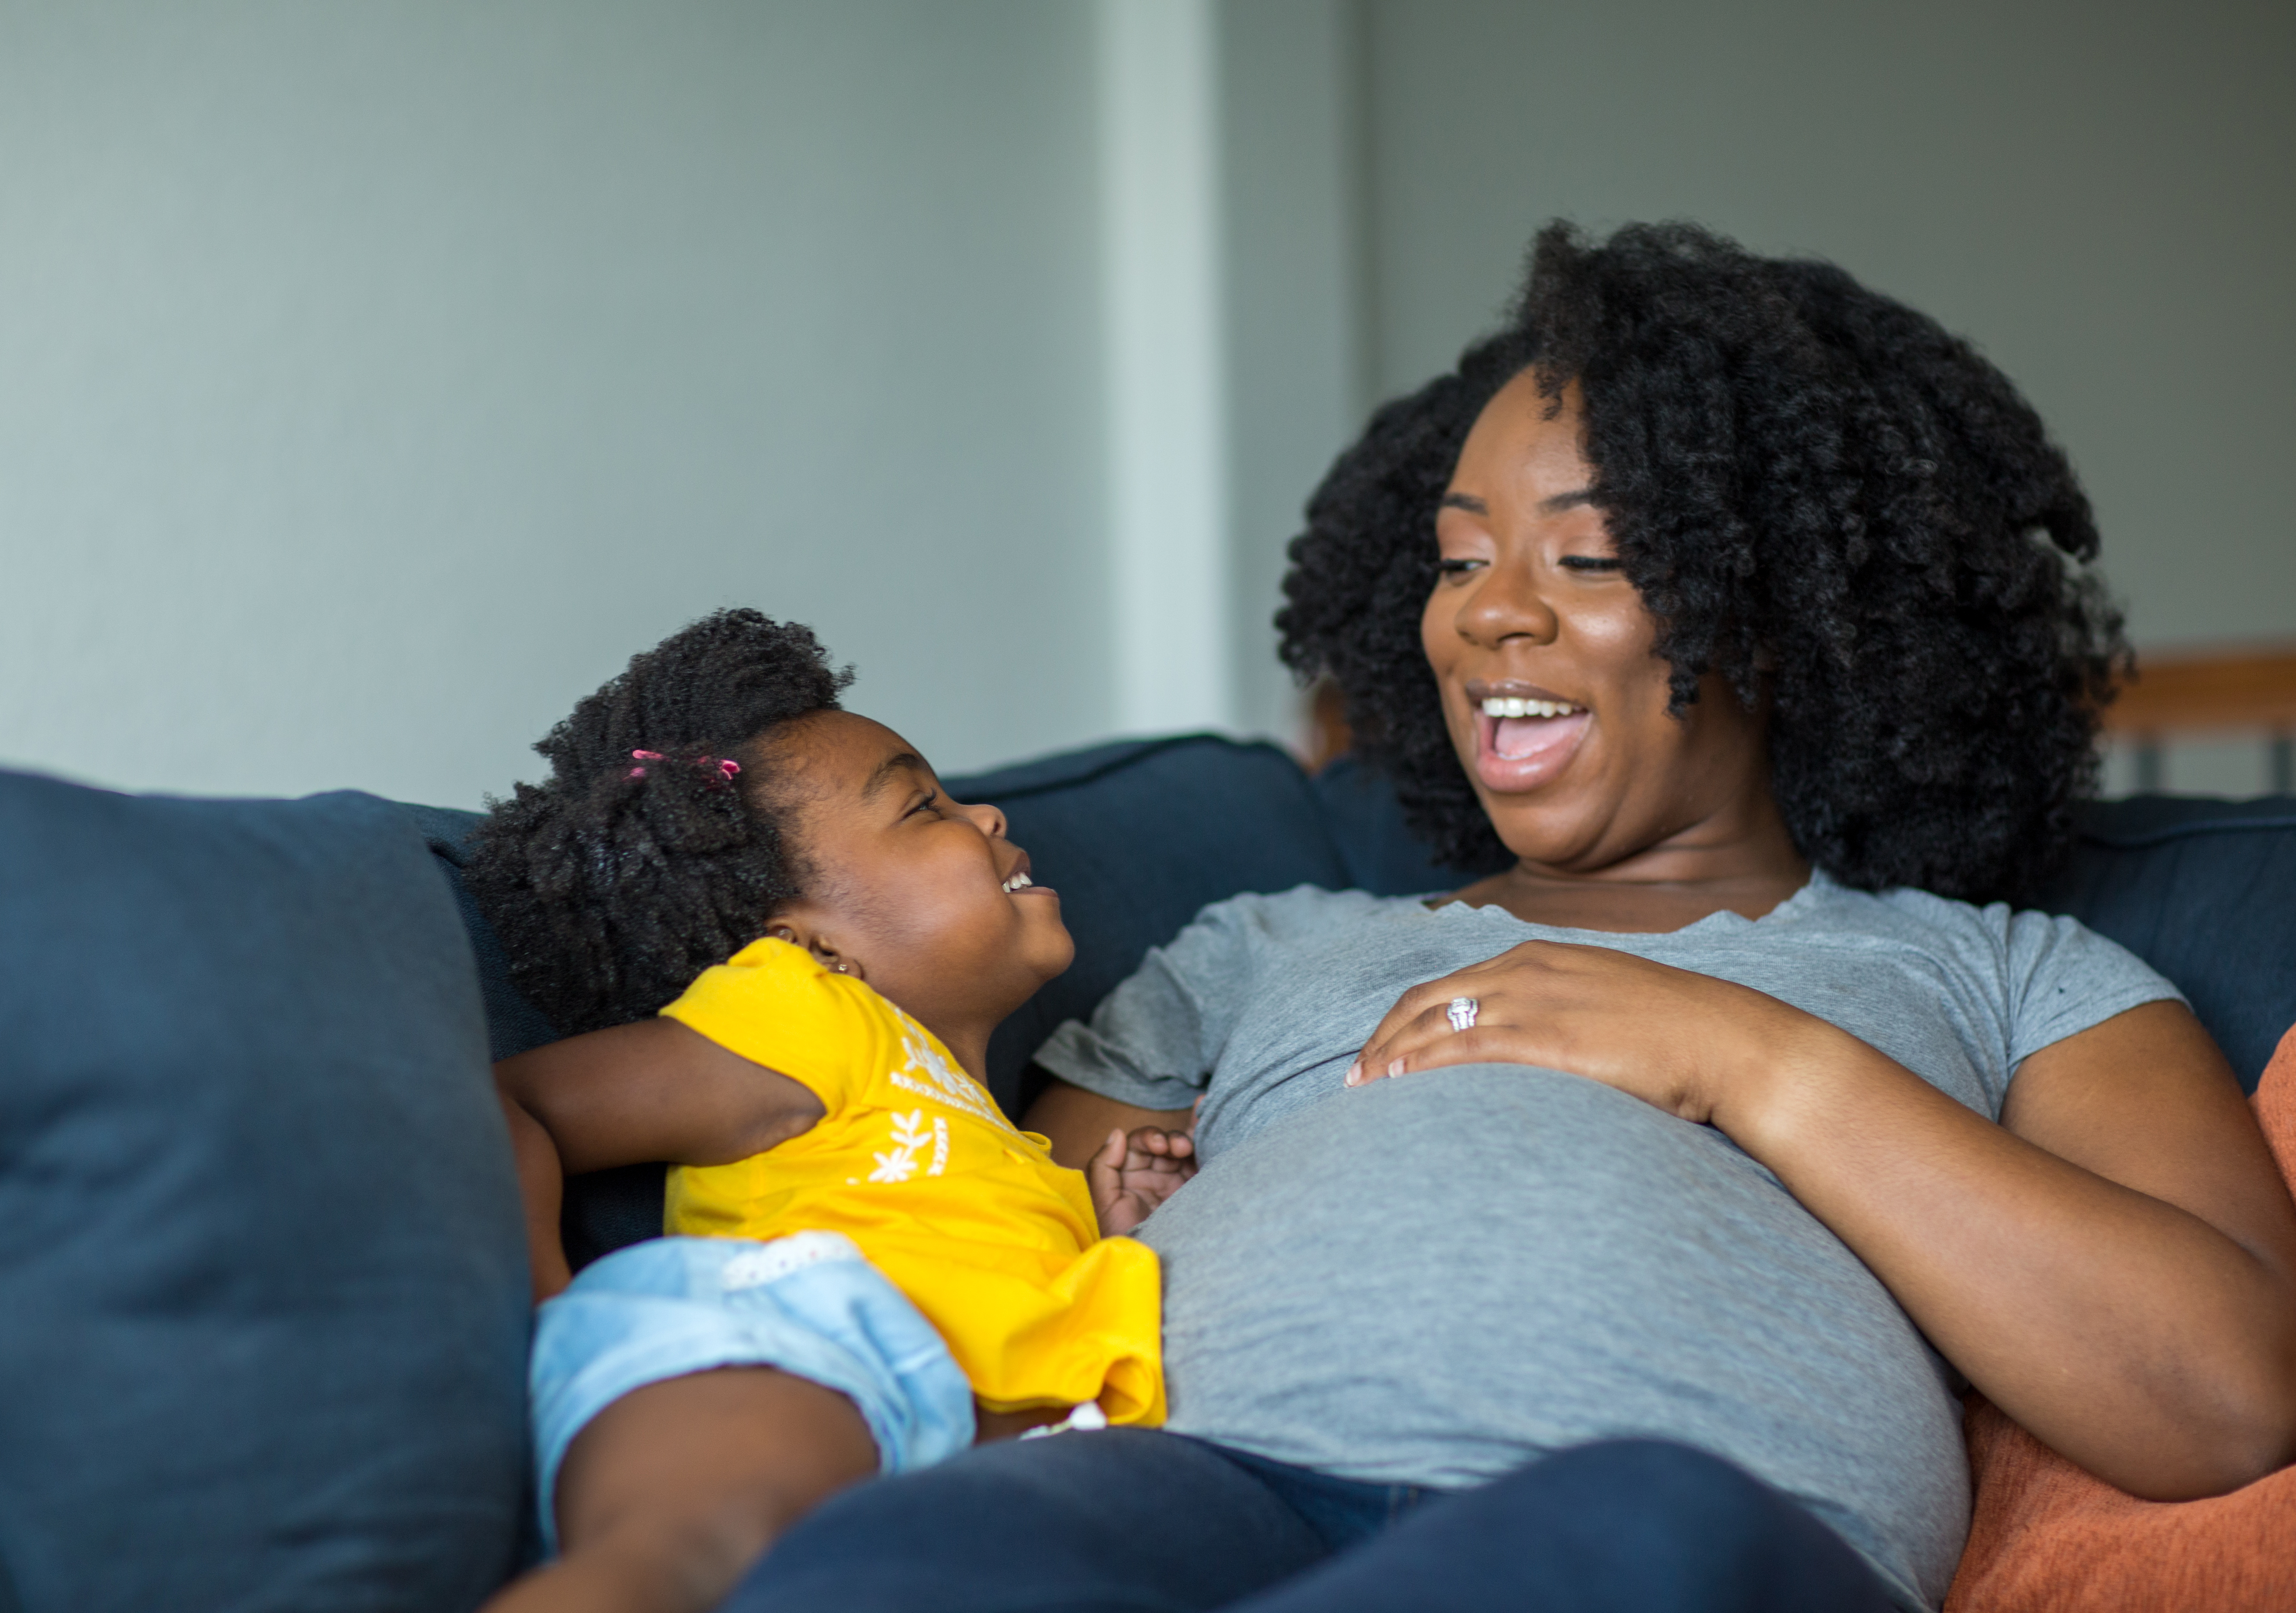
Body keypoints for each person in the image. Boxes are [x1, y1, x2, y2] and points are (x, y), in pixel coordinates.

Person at [718, 224, 2296, 1613]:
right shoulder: (1256, 945)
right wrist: (1112, 1212)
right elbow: (1001, 1240)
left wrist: (1744, 1057)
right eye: (1459, 556)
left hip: (1677, 1510)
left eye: (1587, 554)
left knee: (1638, 1526)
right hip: (1205, 1476)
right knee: (898, 1561)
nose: (1488, 611)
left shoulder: (2012, 974)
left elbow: (2226, 1393)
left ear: (1779, 612)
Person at [462, 610, 1197, 1613]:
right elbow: (514, 1101)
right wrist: (546, 1314)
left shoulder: (1007, 1144)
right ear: (808, 942)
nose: (986, 816)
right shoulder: (808, 1014)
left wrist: (1106, 1229)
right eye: (924, 807)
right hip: (793, 1344)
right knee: (689, 1563)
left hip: (957, 1452)